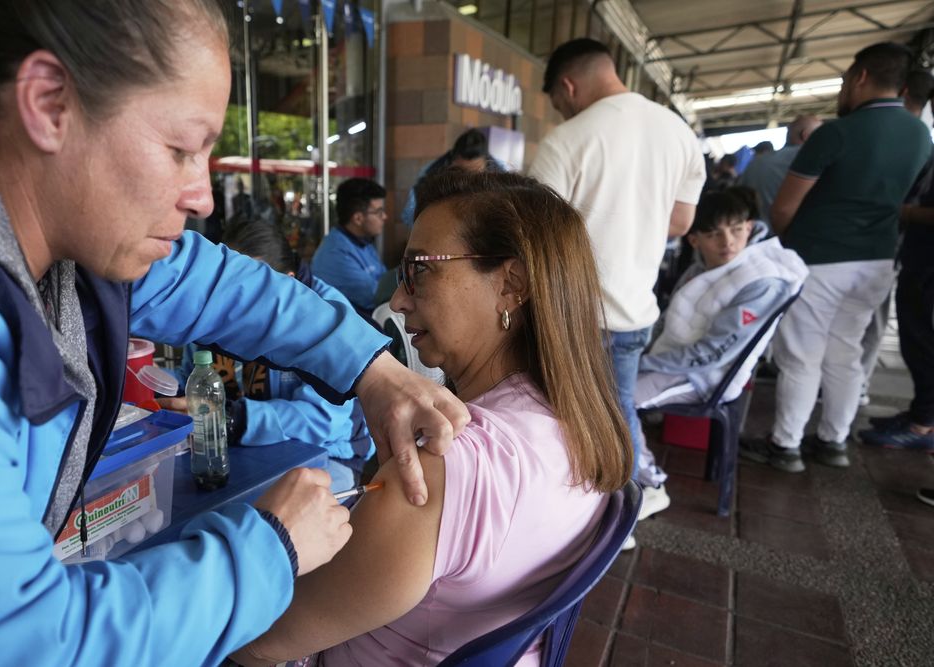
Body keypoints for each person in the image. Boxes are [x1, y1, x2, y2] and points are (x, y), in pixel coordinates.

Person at [0, 2, 469, 664]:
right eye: (181, 149)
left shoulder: (76, 243)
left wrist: (372, 369)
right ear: (48, 103)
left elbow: (219, 285)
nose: (204, 196)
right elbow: (24, 642)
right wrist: (268, 547)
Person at [230, 171, 633, 667]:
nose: (398, 301)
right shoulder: (580, 422)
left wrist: (265, 543)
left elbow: (260, 642)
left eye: (419, 271)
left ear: (511, 285)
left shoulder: (435, 469)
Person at [528, 37, 705, 530]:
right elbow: (680, 223)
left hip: (578, 312)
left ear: (569, 85)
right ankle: (622, 498)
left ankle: (619, 513)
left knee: (582, 413)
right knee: (613, 406)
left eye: (561, 103)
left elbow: (534, 235)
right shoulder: (678, 132)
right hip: (638, 308)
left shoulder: (568, 140)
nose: (564, 112)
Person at [741, 42, 932, 473]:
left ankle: (786, 445)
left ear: (861, 77)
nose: (844, 88)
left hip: (820, 258)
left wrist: (799, 239)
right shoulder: (919, 134)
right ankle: (833, 442)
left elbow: (785, 208)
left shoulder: (837, 132)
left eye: (846, 79)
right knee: (846, 352)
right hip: (879, 260)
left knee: (801, 355)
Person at [167, 219, 375, 491]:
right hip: (238, 448)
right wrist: (166, 390)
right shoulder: (214, 306)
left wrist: (234, 420)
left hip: (327, 453)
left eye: (254, 290)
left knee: (275, 520)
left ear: (285, 285)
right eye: (231, 286)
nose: (237, 302)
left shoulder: (327, 318)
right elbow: (192, 374)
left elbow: (323, 421)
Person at [633, 192, 807, 504]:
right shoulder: (702, 268)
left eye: (737, 229)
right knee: (604, 381)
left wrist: (642, 364)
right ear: (694, 240)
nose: (727, 242)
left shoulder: (763, 280)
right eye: (714, 234)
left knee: (615, 401)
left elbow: (713, 354)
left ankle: (649, 486)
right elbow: (670, 319)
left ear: (750, 227)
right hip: (680, 365)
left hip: (707, 378)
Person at [858, 69, 934, 451]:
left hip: (927, 263)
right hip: (916, 258)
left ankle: (923, 423)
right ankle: (921, 415)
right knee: (912, 338)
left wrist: (900, 211)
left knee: (922, 342)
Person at [311, 178, 388, 318]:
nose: (384, 217)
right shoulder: (335, 255)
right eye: (378, 212)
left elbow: (384, 279)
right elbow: (379, 295)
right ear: (358, 218)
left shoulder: (362, 242)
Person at [400, 128, 505, 227]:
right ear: (452, 162)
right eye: (462, 171)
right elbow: (409, 217)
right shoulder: (430, 176)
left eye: (476, 172)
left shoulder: (502, 178)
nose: (469, 178)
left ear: (486, 164)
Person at [738, 115, 822, 226]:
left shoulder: (756, 163)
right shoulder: (815, 160)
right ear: (806, 135)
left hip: (759, 237)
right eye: (821, 135)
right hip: (799, 236)